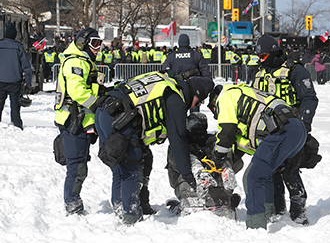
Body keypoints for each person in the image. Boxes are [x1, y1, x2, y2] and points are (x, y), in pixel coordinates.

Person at [94, 71, 214, 225]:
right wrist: (187, 174)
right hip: (120, 117)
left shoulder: (168, 82)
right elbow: (178, 140)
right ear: (195, 94)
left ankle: (129, 205)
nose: (194, 106)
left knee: (139, 159)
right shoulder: (176, 99)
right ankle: (131, 216)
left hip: (106, 110)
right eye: (198, 102)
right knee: (130, 167)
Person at [207, 84, 307, 230]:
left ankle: (256, 227)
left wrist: (217, 157)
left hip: (281, 129)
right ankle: (272, 213)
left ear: (215, 101)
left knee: (252, 177)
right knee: (266, 172)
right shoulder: (245, 93)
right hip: (296, 127)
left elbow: (226, 133)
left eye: (213, 110)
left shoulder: (226, 96)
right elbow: (242, 139)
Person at [251, 34, 320, 225]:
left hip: (291, 127)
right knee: (270, 167)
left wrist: (304, 124)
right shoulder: (259, 74)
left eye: (263, 56)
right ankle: (277, 207)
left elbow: (310, 98)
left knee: (289, 168)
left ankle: (298, 210)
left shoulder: (294, 71)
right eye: (259, 56)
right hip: (267, 129)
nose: (260, 60)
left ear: (274, 52)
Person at [54, 27, 106, 215]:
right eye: (94, 44)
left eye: (100, 44)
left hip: (82, 120)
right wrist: (97, 103)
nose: (97, 48)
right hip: (73, 120)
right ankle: (71, 201)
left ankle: (73, 198)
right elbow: (77, 92)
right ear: (83, 43)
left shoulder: (85, 61)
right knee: (76, 165)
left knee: (80, 163)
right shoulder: (76, 62)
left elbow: (89, 87)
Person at [166, 112, 242, 218]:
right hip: (221, 194)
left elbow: (173, 175)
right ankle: (225, 167)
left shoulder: (179, 145)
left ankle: (197, 171)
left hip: (189, 192)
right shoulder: (214, 141)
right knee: (221, 151)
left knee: (181, 158)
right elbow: (239, 164)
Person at [162, 34, 212, 112]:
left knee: (179, 118)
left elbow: (164, 73)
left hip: (178, 91)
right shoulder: (196, 55)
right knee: (195, 119)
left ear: (179, 43)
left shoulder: (171, 57)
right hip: (194, 91)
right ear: (188, 42)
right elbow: (206, 73)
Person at [0, 23, 32, 130]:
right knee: (15, 105)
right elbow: (26, 66)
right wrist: (28, 83)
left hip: (0, 80)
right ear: (14, 35)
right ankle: (17, 124)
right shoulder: (19, 47)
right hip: (15, 81)